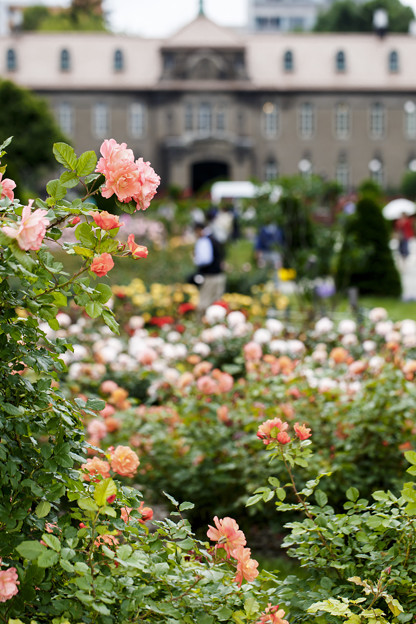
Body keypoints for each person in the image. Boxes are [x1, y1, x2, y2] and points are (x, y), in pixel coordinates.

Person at [193, 219, 226, 316]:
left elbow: (205, 259)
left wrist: (195, 258)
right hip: (218, 275)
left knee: (205, 303)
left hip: (210, 276)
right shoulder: (213, 238)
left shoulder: (204, 240)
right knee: (216, 303)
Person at [254, 219, 284, 285]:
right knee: (264, 271)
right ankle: (263, 286)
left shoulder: (277, 231)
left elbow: (280, 243)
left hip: (273, 253)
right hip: (266, 253)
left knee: (275, 271)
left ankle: (274, 287)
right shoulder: (265, 230)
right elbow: (259, 242)